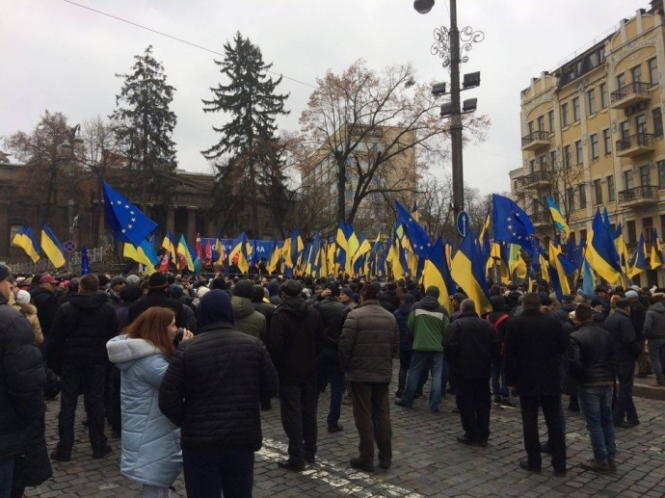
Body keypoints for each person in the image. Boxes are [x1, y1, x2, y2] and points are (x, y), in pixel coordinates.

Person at [159, 290, 279, 498]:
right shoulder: (253, 345)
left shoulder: (187, 350)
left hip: (200, 442)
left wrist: (189, 420)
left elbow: (168, 399)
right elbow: (271, 387)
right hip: (240, 437)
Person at [107, 307, 193, 497]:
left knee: (158, 482)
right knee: (156, 483)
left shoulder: (145, 353)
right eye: (172, 325)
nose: (176, 329)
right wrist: (185, 350)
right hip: (152, 430)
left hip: (149, 427)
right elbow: (178, 383)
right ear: (159, 329)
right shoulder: (150, 361)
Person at [50, 274, 118, 461]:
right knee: (95, 402)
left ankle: (64, 448)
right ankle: (99, 445)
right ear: (97, 288)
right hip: (97, 360)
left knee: (68, 404)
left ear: (80, 286)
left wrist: (55, 365)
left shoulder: (65, 309)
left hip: (70, 361)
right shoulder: (107, 309)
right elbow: (113, 337)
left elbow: (55, 339)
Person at [504, 292, 568, 477]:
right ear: (539, 305)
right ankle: (560, 464)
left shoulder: (515, 324)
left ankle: (534, 461)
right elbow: (563, 348)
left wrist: (510, 381)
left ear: (523, 305)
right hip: (550, 377)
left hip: (526, 379)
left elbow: (509, 355)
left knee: (530, 421)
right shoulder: (553, 322)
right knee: (554, 422)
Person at [339, 282, 399, 472]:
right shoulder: (390, 318)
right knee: (382, 414)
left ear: (363, 295)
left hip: (360, 373)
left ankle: (366, 457)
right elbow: (395, 347)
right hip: (382, 372)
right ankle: (386, 456)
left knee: (363, 416)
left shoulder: (354, 316)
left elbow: (344, 347)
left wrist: (344, 369)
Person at [269, 280, 325, 472]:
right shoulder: (314, 313)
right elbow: (320, 341)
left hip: (288, 371)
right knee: (309, 412)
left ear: (284, 294)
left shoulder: (280, 315)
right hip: (309, 369)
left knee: (292, 414)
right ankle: (310, 451)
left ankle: (297, 456)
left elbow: (275, 347)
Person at [0, 266, 47, 498]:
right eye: (11, 283)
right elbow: (26, 383)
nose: (13, 287)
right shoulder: (11, 320)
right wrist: (31, 416)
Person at [568, 303, 617, 473]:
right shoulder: (605, 334)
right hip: (607, 381)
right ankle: (610, 457)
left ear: (577, 318)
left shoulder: (575, 336)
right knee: (607, 420)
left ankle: (601, 460)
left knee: (594, 422)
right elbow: (613, 358)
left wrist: (579, 378)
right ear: (591, 316)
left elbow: (574, 362)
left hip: (588, 383)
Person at [445, 299, 501, 447]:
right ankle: (483, 434)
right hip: (483, 371)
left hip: (463, 371)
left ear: (462, 310)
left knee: (466, 402)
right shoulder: (487, 326)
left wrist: (454, 364)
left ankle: (471, 433)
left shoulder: (456, 325)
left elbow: (450, 347)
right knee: (482, 403)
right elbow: (496, 348)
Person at [395, 286, 449, 413]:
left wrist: (415, 336)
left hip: (419, 345)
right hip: (437, 347)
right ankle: (434, 405)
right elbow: (447, 330)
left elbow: (410, 325)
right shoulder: (442, 310)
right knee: (437, 376)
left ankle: (407, 399)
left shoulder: (416, 307)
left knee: (414, 373)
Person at [314, 284, 350, 433]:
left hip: (319, 350)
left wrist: (318, 297)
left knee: (315, 387)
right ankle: (332, 422)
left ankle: (310, 417)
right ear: (337, 295)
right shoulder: (344, 309)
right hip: (336, 350)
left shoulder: (318, 306)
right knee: (336, 388)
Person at [604, 298, 641, 428]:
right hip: (625, 358)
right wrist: (638, 352)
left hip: (614, 358)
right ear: (627, 307)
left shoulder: (609, 319)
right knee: (626, 388)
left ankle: (632, 416)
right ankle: (617, 417)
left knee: (625, 388)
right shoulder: (624, 320)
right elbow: (629, 340)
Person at [393, 293, 416, 398]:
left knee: (403, 368)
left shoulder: (397, 313)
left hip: (402, 343)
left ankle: (400, 388)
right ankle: (411, 390)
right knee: (412, 368)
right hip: (413, 343)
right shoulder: (415, 313)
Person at [643, 293, 665, 387]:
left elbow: (647, 327)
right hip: (663, 336)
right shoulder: (663, 310)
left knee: (655, 359)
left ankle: (660, 380)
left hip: (654, 338)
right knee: (663, 358)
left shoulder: (650, 312)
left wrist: (645, 335)